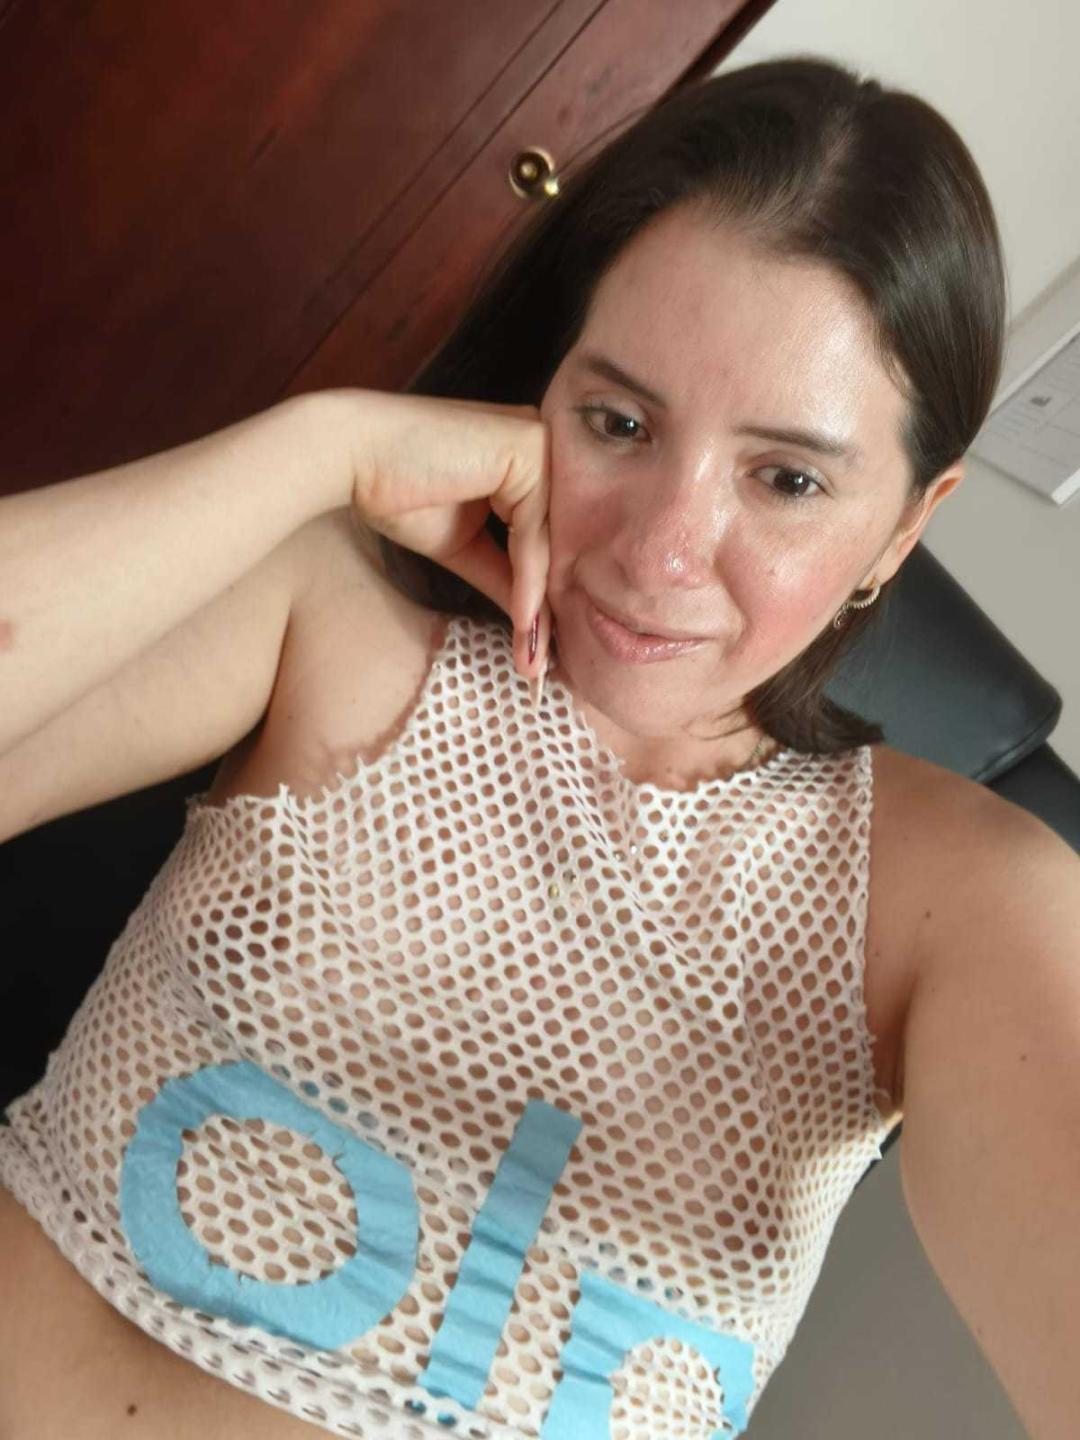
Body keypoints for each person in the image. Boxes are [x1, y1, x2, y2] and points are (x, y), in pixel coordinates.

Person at [1, 52, 1077, 1440]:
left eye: (787, 479)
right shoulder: (336, 619)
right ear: (543, 388)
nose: (660, 550)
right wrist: (323, 450)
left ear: (903, 529)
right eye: (618, 422)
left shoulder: (953, 903)